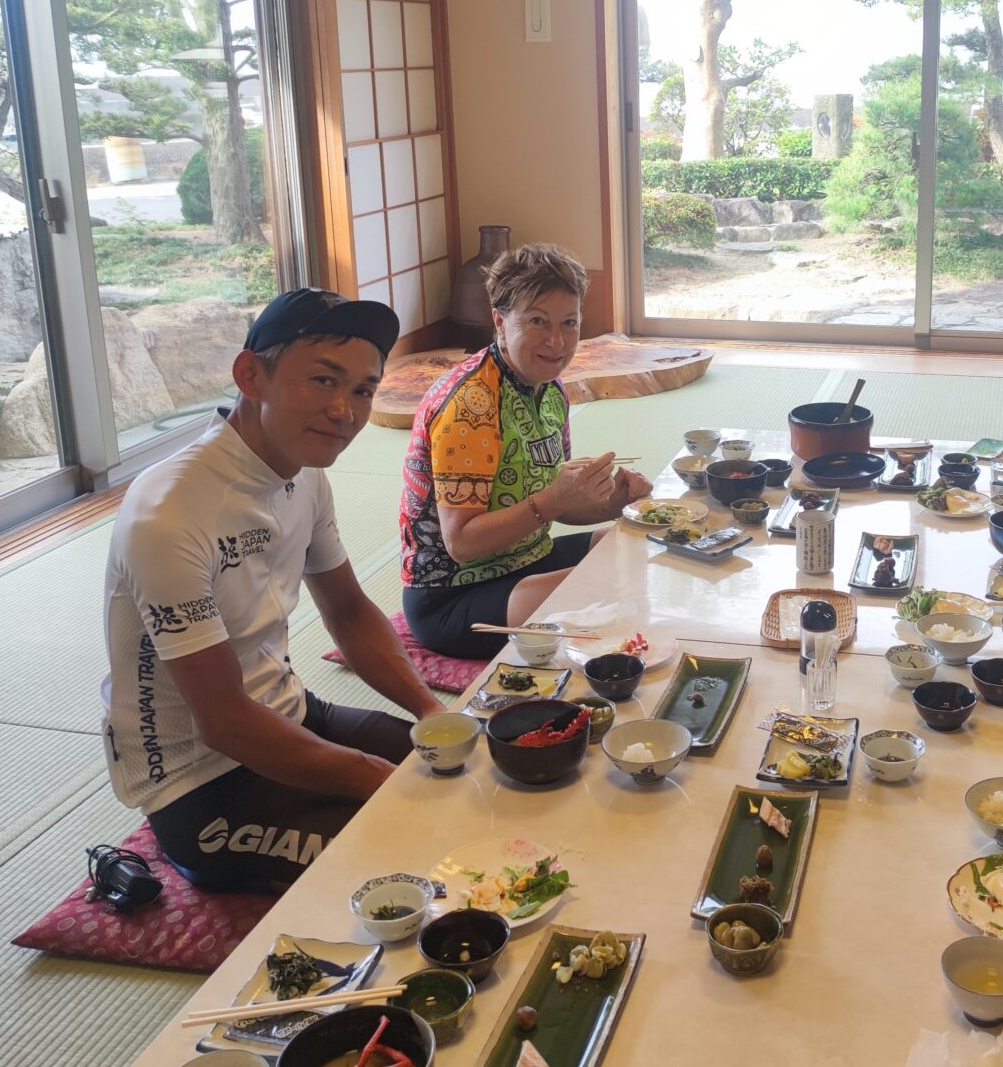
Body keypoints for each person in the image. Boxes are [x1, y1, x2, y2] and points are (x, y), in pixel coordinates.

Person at [101, 288, 445, 894]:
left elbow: (347, 610)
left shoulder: (305, 473)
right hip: (199, 779)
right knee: (418, 848)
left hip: (288, 711)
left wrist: (433, 713)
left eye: (363, 389)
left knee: (458, 769)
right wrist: (375, 777)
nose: (345, 410)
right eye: (322, 380)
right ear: (250, 374)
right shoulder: (168, 514)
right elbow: (225, 722)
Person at [400, 243, 651, 658]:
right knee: (611, 591)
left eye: (569, 322)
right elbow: (460, 542)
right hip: (454, 595)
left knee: (636, 548)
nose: (557, 341)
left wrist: (613, 505)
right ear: (499, 321)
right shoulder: (470, 405)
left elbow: (554, 504)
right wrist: (554, 500)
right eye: (537, 321)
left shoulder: (551, 390)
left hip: (529, 556)